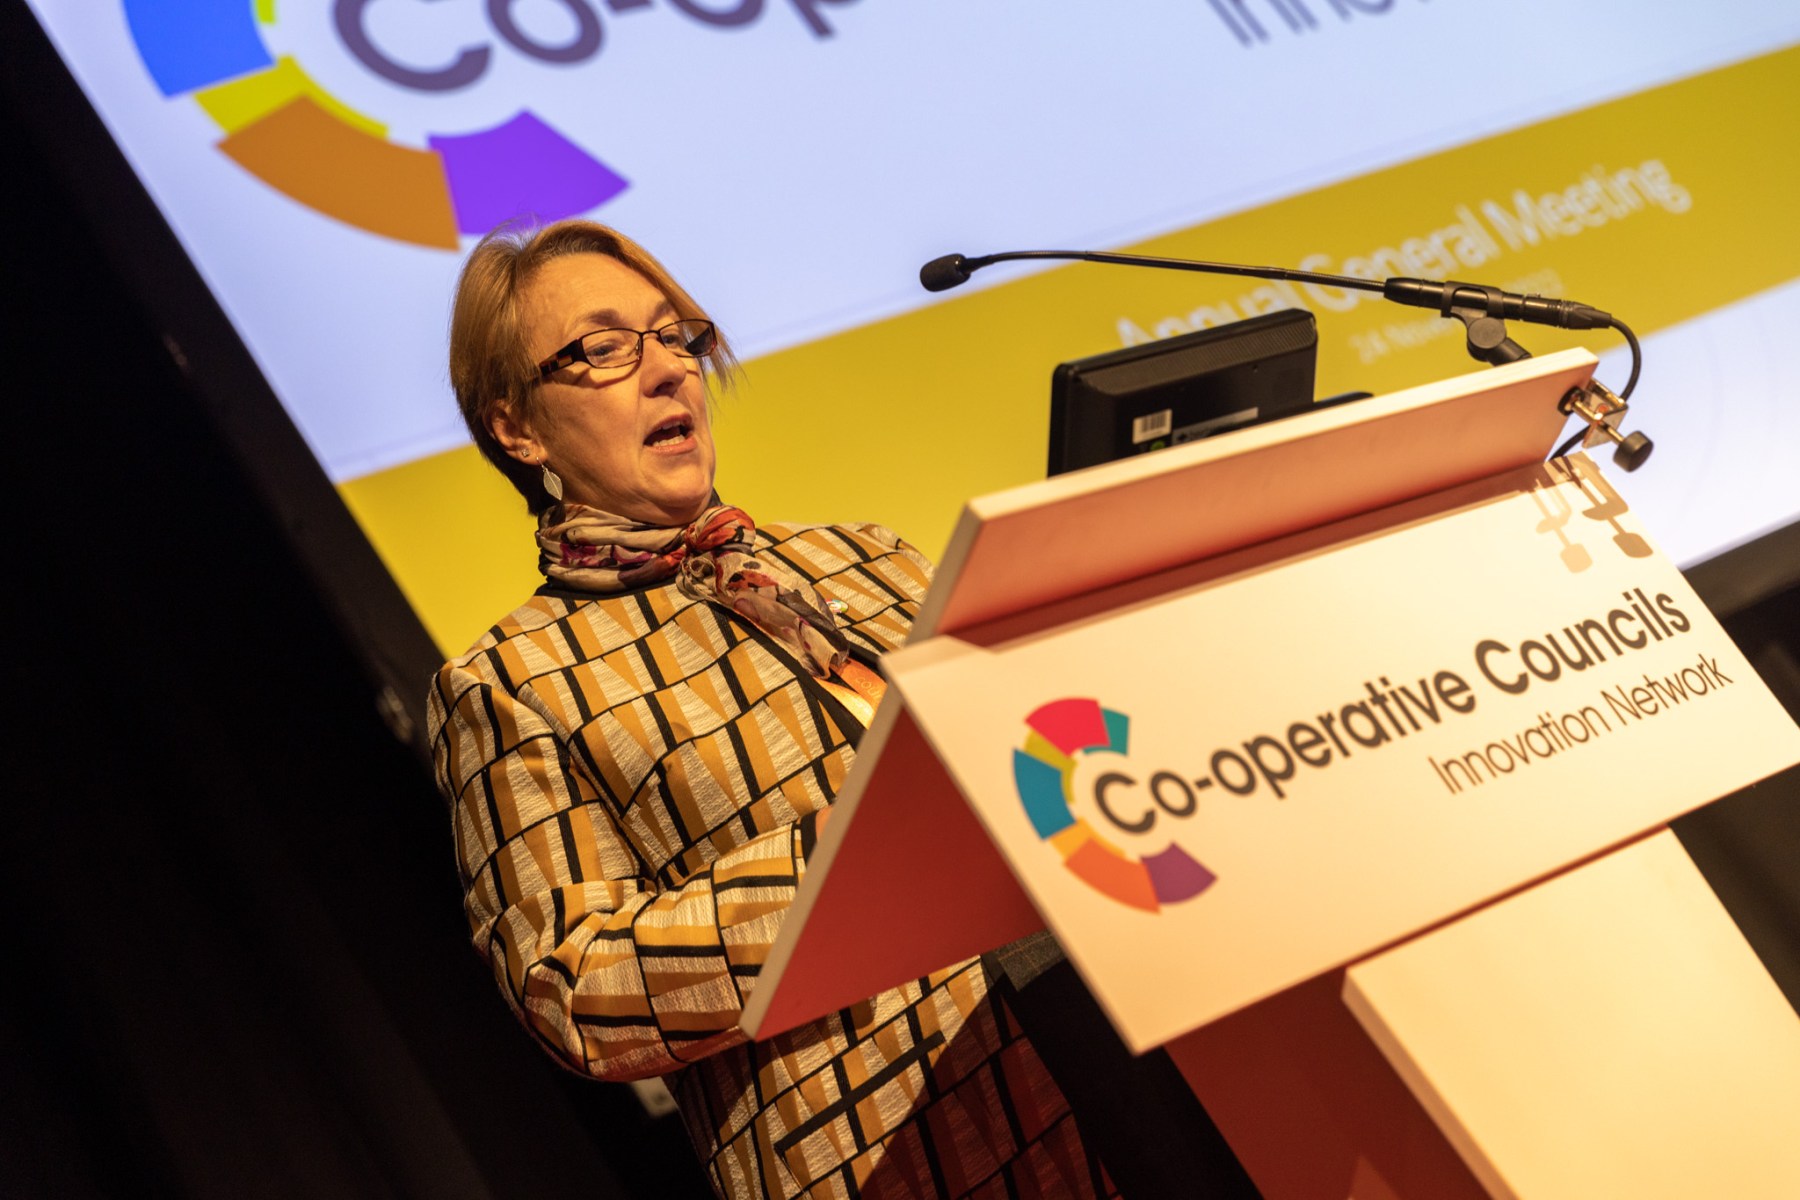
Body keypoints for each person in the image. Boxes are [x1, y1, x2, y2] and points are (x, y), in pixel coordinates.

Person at [427, 220, 1116, 1200]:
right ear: (518, 428)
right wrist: (840, 864)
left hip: (1107, 1079)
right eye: (607, 348)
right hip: (893, 1158)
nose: (668, 369)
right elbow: (572, 990)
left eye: (675, 335)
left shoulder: (865, 555)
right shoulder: (511, 681)